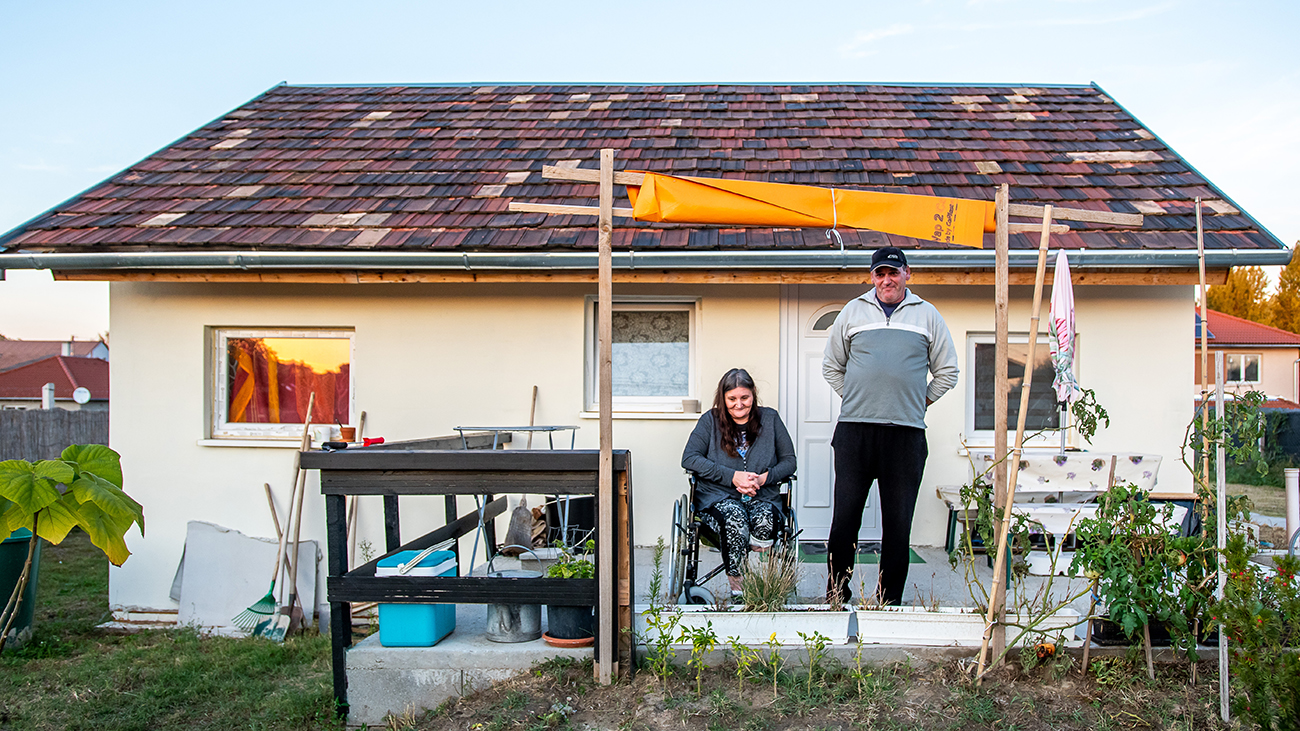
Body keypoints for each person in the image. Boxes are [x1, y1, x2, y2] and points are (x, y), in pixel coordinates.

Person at [821, 246, 959, 605]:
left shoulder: (928, 316)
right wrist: (855, 396)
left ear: (907, 274)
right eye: (880, 273)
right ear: (872, 277)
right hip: (855, 432)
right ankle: (837, 595)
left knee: (898, 525)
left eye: (893, 273)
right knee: (844, 522)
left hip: (906, 435)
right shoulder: (852, 312)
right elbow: (831, 366)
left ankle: (889, 600)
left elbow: (948, 372)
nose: (887, 280)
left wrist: (919, 401)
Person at [681, 368, 797, 597]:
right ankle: (738, 587)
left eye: (745, 398)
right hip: (719, 497)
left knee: (764, 521)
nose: (739, 404)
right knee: (735, 519)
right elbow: (689, 458)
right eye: (732, 399)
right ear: (723, 399)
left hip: (762, 495)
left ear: (753, 395)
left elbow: (789, 461)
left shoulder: (770, 419)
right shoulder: (710, 421)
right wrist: (732, 477)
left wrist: (764, 478)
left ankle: (768, 581)